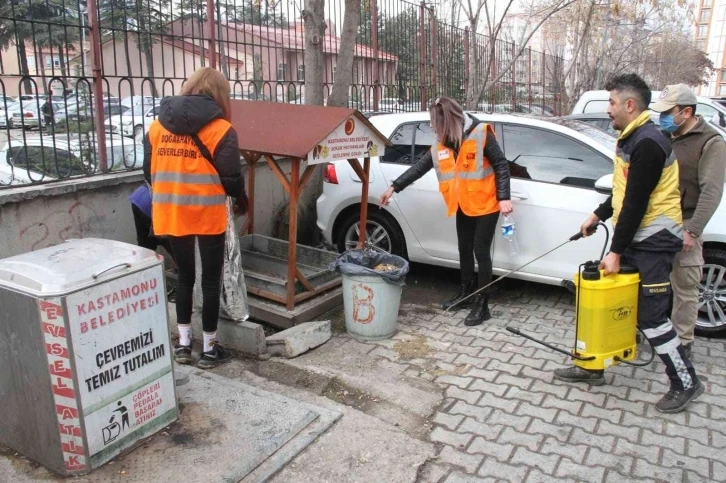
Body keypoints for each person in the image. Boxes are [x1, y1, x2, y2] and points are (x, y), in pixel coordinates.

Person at [553, 74, 704, 413]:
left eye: (611, 102)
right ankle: (592, 366)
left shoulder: (649, 142)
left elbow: (636, 202)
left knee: (652, 318)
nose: (608, 109)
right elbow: (624, 191)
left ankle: (687, 381)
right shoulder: (633, 138)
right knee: (608, 300)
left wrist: (616, 252)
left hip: (653, 241)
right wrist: (598, 214)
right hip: (638, 237)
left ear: (630, 105)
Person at [143, 67, 248, 369]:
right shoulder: (221, 131)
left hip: (171, 214)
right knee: (211, 281)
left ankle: (184, 346)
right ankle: (211, 350)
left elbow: (147, 172)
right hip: (207, 215)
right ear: (220, 95)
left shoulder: (156, 129)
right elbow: (231, 182)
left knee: (185, 277)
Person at [379, 97, 512, 326]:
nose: (432, 126)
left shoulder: (480, 133)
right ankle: (466, 292)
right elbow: (420, 167)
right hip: (462, 204)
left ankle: (482, 303)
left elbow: (501, 164)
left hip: (487, 203)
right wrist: (394, 187)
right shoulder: (442, 143)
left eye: (434, 122)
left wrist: (504, 198)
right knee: (464, 248)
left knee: (481, 251)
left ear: (447, 120)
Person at [651, 84, 726, 359]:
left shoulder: (711, 142)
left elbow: (712, 192)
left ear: (687, 112)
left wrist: (693, 231)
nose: (662, 119)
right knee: (654, 283)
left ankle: (683, 344)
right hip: (657, 220)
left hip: (684, 223)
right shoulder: (665, 136)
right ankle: (654, 332)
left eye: (667, 113)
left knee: (685, 288)